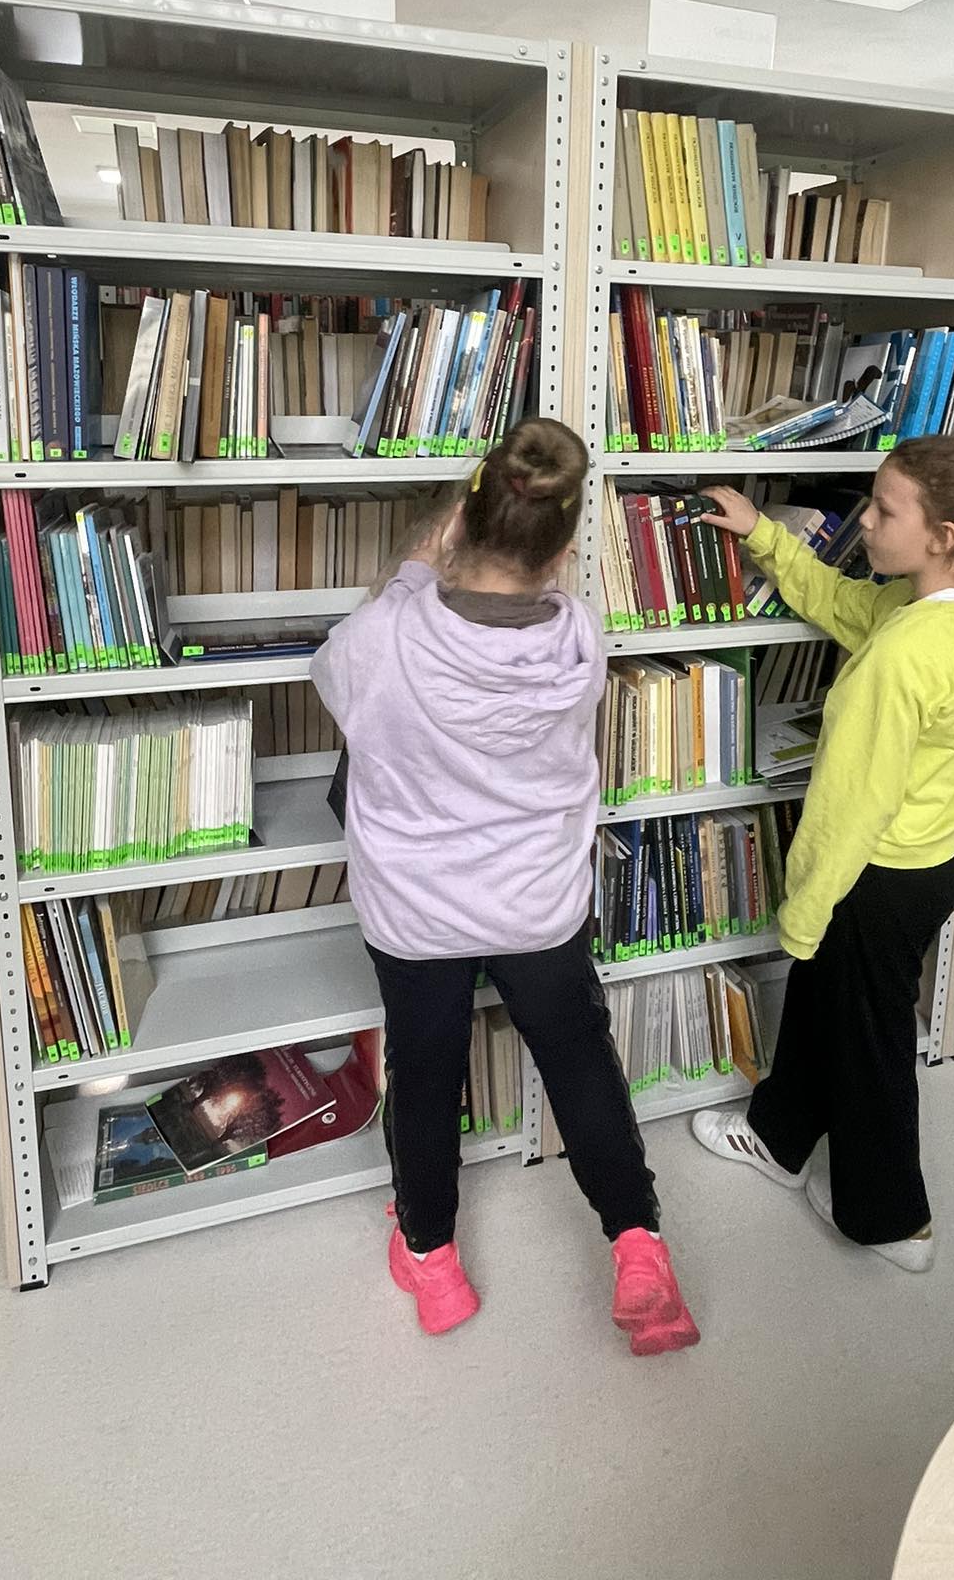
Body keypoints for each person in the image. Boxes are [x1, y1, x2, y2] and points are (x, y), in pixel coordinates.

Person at [312, 416, 699, 1354]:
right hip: (537, 903)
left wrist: (416, 570)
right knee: (580, 1063)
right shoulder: (580, 640)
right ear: (562, 554)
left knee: (424, 1072)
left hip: (417, 911)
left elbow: (341, 684)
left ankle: (434, 1264)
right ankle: (639, 1247)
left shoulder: (379, 637)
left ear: (462, 522)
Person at [690, 436, 954, 1272]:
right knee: (830, 1006)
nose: (865, 522)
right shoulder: (953, 610)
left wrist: (804, 913)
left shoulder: (902, 656)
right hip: (930, 862)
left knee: (872, 1047)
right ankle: (779, 1137)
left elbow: (848, 809)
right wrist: (764, 536)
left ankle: (893, 1221)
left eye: (885, 512)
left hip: (878, 877)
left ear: (943, 537)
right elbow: (847, 603)